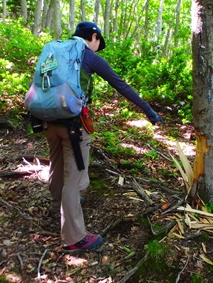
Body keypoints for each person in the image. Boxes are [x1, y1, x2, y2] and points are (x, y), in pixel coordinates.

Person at [44, 21, 163, 252]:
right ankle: (74, 237)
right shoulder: (87, 55)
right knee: (75, 179)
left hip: (47, 120)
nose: (99, 47)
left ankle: (56, 210)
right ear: (94, 36)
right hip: (73, 125)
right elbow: (120, 85)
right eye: (99, 43)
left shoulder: (55, 49)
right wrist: (148, 110)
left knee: (56, 167)